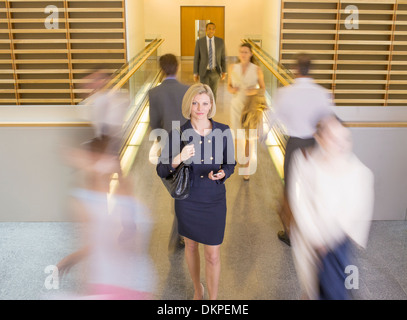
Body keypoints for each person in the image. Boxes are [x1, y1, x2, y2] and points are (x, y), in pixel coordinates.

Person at [156, 83, 236, 300]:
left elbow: (230, 163)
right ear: (188, 105)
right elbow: (161, 169)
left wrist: (223, 173)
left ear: (211, 105)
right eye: (195, 103)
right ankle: (197, 288)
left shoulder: (223, 131)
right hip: (188, 199)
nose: (200, 108)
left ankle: (213, 300)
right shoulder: (178, 133)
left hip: (214, 199)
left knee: (213, 254)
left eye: (204, 103)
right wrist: (178, 158)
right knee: (191, 247)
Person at [287, 115, 374, 300]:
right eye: (332, 138)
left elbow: (356, 210)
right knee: (310, 287)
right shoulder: (303, 161)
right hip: (308, 240)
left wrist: (330, 238)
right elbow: (299, 202)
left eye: (344, 138)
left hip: (337, 244)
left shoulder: (359, 172)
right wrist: (315, 237)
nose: (340, 144)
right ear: (319, 138)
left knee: (332, 290)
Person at [271, 53, 334, 246]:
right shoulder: (323, 94)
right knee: (311, 187)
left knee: (290, 188)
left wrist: (261, 136)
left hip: (294, 144)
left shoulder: (285, 93)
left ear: (296, 70)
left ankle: (290, 233)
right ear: (310, 69)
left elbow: (272, 117)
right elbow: (329, 122)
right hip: (313, 145)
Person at [148, 53, 189, 252]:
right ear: (177, 67)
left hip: (168, 147)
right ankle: (180, 228)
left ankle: (179, 229)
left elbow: (154, 125)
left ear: (161, 70)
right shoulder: (188, 90)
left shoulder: (154, 93)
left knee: (177, 186)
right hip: (187, 146)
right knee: (183, 186)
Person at [227, 42, 265, 181]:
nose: (243, 54)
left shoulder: (257, 69)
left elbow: (262, 89)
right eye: (241, 52)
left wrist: (253, 90)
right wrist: (233, 90)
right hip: (236, 106)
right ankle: (243, 159)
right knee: (238, 137)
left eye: (246, 52)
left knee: (249, 138)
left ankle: (247, 168)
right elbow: (229, 87)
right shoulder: (233, 67)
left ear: (251, 54)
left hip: (250, 108)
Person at [193, 22, 227, 100]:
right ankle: (205, 110)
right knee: (204, 92)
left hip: (215, 72)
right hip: (204, 72)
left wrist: (224, 71)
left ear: (215, 30)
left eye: (213, 29)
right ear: (206, 30)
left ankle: (212, 110)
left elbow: (223, 57)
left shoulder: (220, 41)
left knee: (213, 93)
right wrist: (195, 73)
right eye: (209, 29)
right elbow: (196, 58)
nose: (211, 31)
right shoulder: (200, 42)